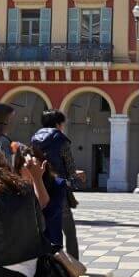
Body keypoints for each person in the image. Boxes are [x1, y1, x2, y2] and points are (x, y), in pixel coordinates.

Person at [31, 110, 81, 259]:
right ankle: (73, 262)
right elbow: (69, 164)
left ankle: (46, 260)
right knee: (69, 229)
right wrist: (73, 182)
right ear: (58, 124)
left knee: (44, 225)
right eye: (62, 124)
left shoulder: (34, 139)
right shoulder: (60, 139)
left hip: (40, 185)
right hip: (58, 186)